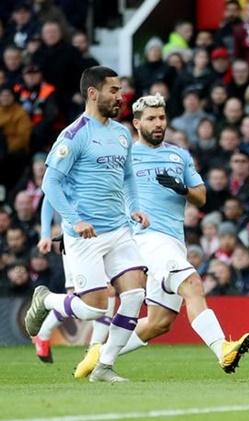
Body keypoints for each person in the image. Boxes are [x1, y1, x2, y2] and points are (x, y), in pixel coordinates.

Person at [107, 94, 249, 374]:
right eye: (151, 118)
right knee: (193, 284)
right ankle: (223, 348)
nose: (158, 123)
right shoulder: (125, 158)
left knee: (159, 322)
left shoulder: (179, 155)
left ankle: (100, 355)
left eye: (161, 117)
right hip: (147, 238)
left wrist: (181, 188)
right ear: (137, 123)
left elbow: (202, 198)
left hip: (173, 241)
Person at [24, 66, 150, 383]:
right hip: (85, 235)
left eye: (120, 91)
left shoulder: (122, 134)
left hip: (119, 229)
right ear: (93, 93)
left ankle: (104, 367)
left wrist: (135, 207)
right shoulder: (74, 135)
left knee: (134, 295)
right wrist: (74, 220)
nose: (120, 97)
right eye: (113, 91)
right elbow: (50, 185)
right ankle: (47, 300)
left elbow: (129, 177)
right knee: (94, 309)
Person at [32, 200, 115, 364]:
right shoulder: (70, 174)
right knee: (106, 293)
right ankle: (93, 352)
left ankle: (44, 336)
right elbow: (50, 196)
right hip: (81, 241)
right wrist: (45, 234)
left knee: (75, 298)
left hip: (92, 238)